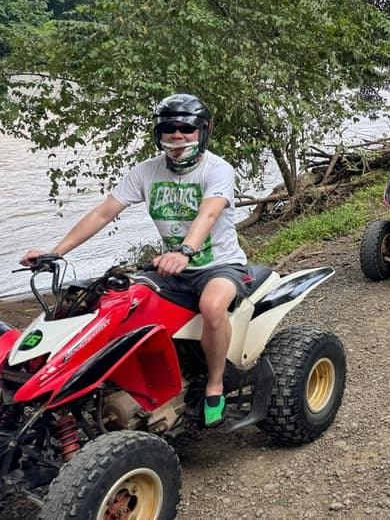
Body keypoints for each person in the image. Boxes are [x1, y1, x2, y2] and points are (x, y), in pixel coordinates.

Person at [19, 93, 246, 429]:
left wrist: (184, 251)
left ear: (202, 130)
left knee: (213, 307)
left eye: (186, 127)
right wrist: (57, 251)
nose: (178, 135)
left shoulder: (217, 169)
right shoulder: (146, 171)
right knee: (115, 303)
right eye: (169, 128)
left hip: (219, 266)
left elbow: (208, 214)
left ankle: (215, 384)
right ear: (159, 132)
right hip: (170, 269)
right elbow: (103, 212)